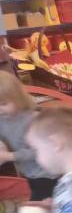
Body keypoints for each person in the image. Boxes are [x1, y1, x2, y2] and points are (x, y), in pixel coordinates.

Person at [0, 71, 57, 201]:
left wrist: (9, 156)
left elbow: (39, 151)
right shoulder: (2, 119)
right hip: (29, 172)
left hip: (46, 172)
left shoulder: (32, 120)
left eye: (3, 104)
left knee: (41, 204)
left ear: (17, 98)